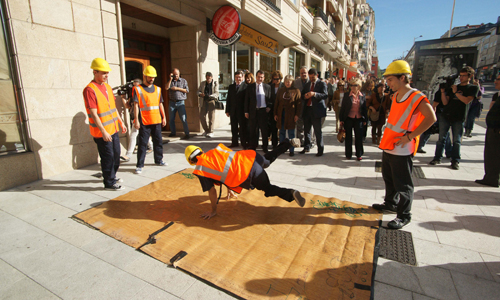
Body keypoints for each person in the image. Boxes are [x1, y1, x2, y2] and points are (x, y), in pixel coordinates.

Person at [373, 60, 436, 229]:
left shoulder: (416, 96)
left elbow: (431, 118)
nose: (388, 83)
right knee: (389, 178)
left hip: (402, 147)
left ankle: (404, 215)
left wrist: (410, 137)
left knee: (403, 183)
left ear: (403, 78)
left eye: (391, 80)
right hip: (390, 144)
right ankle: (390, 204)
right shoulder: (395, 95)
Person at [185, 138, 305, 220]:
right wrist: (230, 189)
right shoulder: (215, 151)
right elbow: (229, 164)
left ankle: (290, 193)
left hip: (248, 173)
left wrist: (213, 211)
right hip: (251, 157)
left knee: (268, 189)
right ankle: (288, 143)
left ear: (191, 161)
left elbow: (212, 191)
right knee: (266, 161)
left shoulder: (201, 169)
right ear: (201, 151)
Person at [83, 58, 127, 190]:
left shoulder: (107, 87)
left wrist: (121, 122)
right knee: (107, 157)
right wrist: (103, 131)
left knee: (116, 155)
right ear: (95, 72)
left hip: (113, 128)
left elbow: (113, 108)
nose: (106, 75)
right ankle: (109, 182)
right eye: (103, 73)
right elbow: (94, 113)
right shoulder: (89, 90)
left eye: (107, 73)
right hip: (102, 132)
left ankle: (111, 175)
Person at [429, 67, 479, 170]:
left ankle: (455, 160)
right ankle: (437, 158)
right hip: (446, 115)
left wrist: (456, 92)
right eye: (460, 75)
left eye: (464, 75)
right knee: (441, 138)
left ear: (469, 76)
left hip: (459, 117)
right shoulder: (454, 87)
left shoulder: (472, 88)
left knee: (456, 140)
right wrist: (443, 92)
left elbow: (466, 101)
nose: (461, 77)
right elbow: (445, 102)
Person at [133, 65, 167, 174]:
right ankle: (139, 165)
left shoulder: (158, 89)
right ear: (145, 76)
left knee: (158, 142)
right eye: (150, 77)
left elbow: (160, 104)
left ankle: (159, 160)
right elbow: (136, 105)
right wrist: (136, 120)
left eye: (153, 77)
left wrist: (164, 117)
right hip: (144, 121)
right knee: (142, 144)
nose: (151, 79)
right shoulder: (138, 89)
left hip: (156, 119)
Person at [475, 74, 500, 188]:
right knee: (490, 154)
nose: (495, 81)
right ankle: (490, 177)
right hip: (492, 129)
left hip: (497, 130)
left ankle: (492, 178)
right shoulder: (497, 95)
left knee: (495, 155)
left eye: (498, 79)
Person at [120, 78, 153, 162]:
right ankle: (152, 147)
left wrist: (137, 120)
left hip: (141, 118)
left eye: (136, 86)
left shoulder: (142, 95)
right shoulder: (132, 95)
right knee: (144, 134)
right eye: (133, 87)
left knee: (133, 135)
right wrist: (123, 97)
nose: (134, 88)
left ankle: (129, 154)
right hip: (134, 118)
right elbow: (127, 106)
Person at [299, 68, 328, 156]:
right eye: (310, 77)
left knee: (317, 131)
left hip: (317, 111)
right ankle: (307, 146)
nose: (311, 79)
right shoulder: (307, 84)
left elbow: (325, 95)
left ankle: (320, 149)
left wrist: (314, 94)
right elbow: (302, 95)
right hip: (307, 110)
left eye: (313, 77)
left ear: (317, 75)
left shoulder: (322, 84)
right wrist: (305, 96)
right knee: (307, 130)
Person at [339, 78, 367, 160]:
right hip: (349, 118)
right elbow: (343, 108)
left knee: (359, 137)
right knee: (348, 137)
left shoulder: (362, 95)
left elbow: (364, 109)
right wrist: (341, 119)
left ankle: (359, 154)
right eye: (352, 85)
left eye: (355, 85)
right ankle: (348, 154)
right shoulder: (347, 95)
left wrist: (365, 120)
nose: (353, 87)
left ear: (359, 86)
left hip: (359, 118)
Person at [417, 89, 452, 155]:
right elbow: (435, 104)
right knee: (442, 133)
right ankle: (449, 151)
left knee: (443, 133)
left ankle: (449, 151)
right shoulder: (440, 92)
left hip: (444, 114)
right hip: (439, 115)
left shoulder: (450, 92)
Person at [274, 75, 302, 156]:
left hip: (291, 115)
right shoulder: (281, 90)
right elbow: (277, 103)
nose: (287, 83)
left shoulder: (296, 91)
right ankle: (281, 149)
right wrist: (275, 113)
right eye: (286, 81)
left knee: (291, 133)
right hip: (281, 114)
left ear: (292, 82)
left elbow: (299, 105)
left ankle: (291, 150)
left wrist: (297, 115)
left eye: (289, 81)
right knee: (282, 132)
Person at [245, 70, 271, 152]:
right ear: (256, 77)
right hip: (253, 111)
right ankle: (253, 146)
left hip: (263, 111)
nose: (260, 78)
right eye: (259, 77)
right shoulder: (250, 87)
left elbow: (270, 99)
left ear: (264, 78)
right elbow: (246, 100)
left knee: (264, 130)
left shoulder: (267, 87)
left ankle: (265, 146)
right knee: (253, 129)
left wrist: (269, 107)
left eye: (262, 77)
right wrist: (246, 111)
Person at [226, 71, 248, 148]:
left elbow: (247, 100)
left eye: (239, 77)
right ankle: (234, 142)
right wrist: (227, 110)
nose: (238, 79)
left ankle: (243, 143)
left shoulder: (246, 87)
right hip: (233, 111)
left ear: (242, 77)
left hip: (242, 111)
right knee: (233, 127)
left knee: (242, 128)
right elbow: (228, 99)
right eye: (236, 77)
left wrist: (246, 111)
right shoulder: (231, 87)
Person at [166, 68, 190, 139]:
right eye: (174, 74)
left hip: (180, 102)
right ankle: (173, 132)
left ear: (179, 74)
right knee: (171, 119)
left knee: (183, 118)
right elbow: (166, 88)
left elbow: (187, 90)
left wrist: (177, 88)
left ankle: (187, 133)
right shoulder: (170, 81)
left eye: (177, 74)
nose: (175, 76)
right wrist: (170, 79)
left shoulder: (183, 81)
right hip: (172, 102)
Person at [198, 72, 219, 138]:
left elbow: (217, 93)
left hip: (211, 101)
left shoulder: (215, 83)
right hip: (204, 101)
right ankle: (206, 130)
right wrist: (200, 94)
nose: (208, 80)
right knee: (202, 116)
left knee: (211, 117)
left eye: (209, 78)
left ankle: (211, 131)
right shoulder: (202, 83)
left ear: (211, 77)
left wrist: (210, 96)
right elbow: (198, 91)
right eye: (207, 78)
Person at [293, 66, 310, 145]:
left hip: (309, 107)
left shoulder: (312, 82)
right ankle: (300, 141)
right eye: (302, 73)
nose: (303, 74)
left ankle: (310, 141)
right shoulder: (296, 82)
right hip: (299, 107)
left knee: (309, 126)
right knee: (299, 125)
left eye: (305, 73)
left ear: (308, 73)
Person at [269, 70, 284, 149]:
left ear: (280, 79)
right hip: (272, 110)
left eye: (277, 79)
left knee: (281, 128)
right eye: (274, 79)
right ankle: (274, 144)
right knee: (273, 128)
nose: (275, 81)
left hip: (281, 110)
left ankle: (282, 144)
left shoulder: (283, 86)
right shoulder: (270, 86)